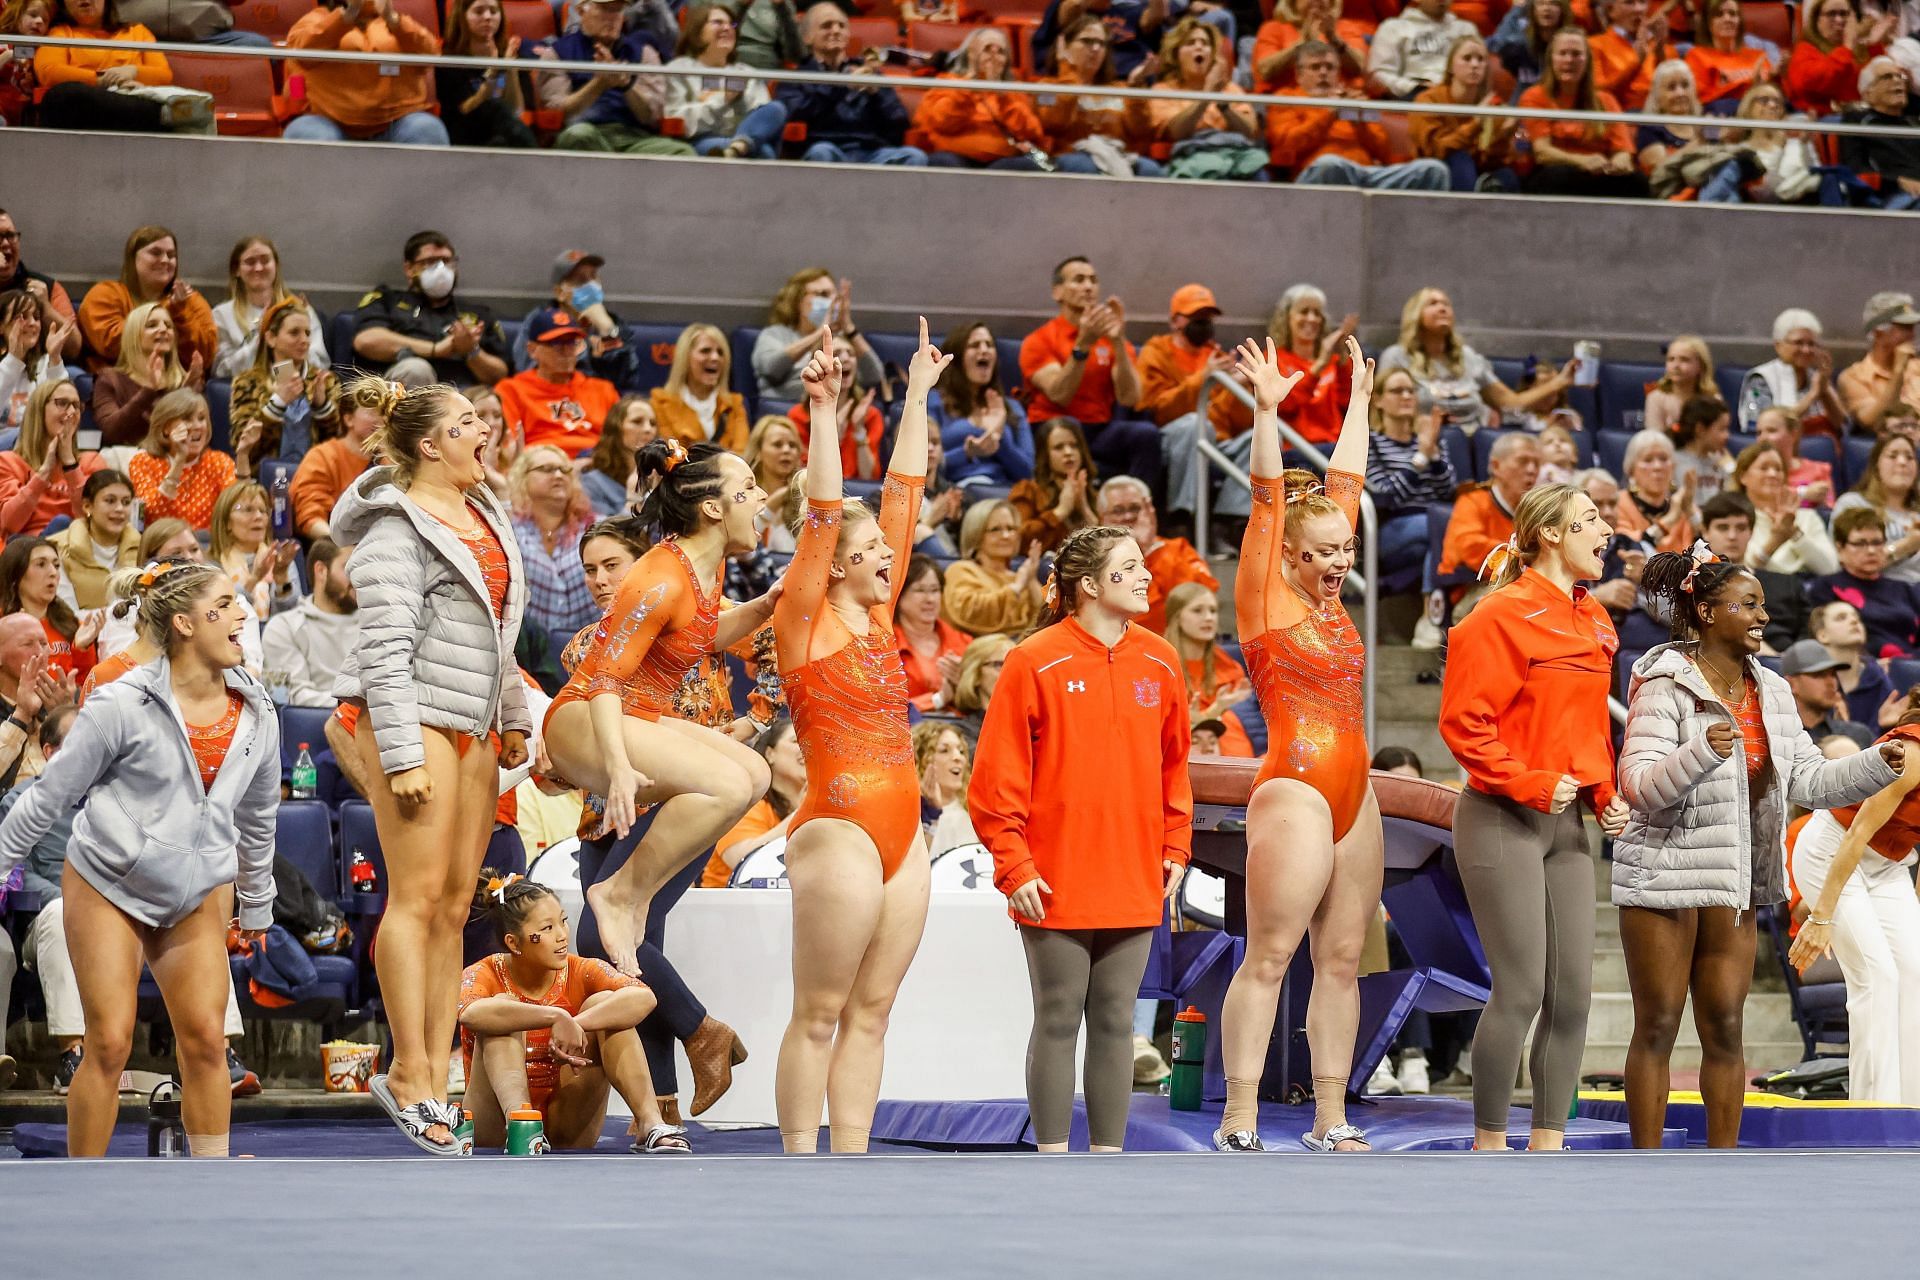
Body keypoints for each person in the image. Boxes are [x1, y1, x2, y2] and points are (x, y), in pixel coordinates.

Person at [1615, 548, 1900, 1147]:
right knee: (1659, 1024)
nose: (1761, 616)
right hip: (1664, 874)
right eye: (1746, 604)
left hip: (1735, 880)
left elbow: (1812, 781)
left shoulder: (1770, 688)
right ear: (1706, 612)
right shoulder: (1661, 684)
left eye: (1762, 605)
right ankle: (1641, 1169)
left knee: (1725, 1027)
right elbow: (1638, 787)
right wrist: (1702, 752)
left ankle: (1724, 1167)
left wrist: (1879, 763)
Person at [0, 560, 276, 1157]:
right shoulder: (119, 704)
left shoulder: (259, 712)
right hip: (107, 884)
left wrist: (256, 905)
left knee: (205, 1041)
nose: (240, 615)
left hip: (196, 890)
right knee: (109, 1041)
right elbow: (47, 799)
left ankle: (211, 1180)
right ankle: (87, 1187)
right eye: (224, 606)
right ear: (182, 623)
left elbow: (257, 819)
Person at [330, 378, 532, 1155]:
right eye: (466, 422)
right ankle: (408, 1071)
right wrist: (404, 753)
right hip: (415, 721)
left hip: (475, 726)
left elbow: (498, 630)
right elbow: (381, 655)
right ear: (428, 446)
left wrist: (512, 717)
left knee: (455, 907)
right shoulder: (392, 530)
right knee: (414, 901)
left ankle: (438, 1065)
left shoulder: (485, 515)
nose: (484, 429)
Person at [766, 323, 944, 1154]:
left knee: (872, 1014)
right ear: (831, 565)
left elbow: (903, 491)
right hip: (837, 829)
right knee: (821, 1012)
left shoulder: (875, 618)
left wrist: (913, 397)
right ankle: (801, 1159)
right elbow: (826, 511)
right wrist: (827, 408)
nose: (888, 559)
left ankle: (852, 1160)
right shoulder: (805, 625)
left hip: (905, 834)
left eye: (884, 550)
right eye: (870, 552)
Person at [968, 521, 1192, 1154]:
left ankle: (1109, 1159)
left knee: (1119, 1020)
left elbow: (1174, 766)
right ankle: (1052, 1158)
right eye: (1131, 566)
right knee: (1060, 1015)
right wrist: (1016, 867)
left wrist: (1176, 846)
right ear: (1090, 585)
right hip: (1053, 872)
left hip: (1135, 868)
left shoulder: (1161, 657)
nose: (1148, 575)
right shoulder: (1032, 660)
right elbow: (995, 782)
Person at [1207, 335, 1378, 1153]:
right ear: (1291, 557)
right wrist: (1269, 412)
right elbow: (1271, 495)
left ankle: (1331, 1116)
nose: (1339, 562)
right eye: (1323, 554)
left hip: (1355, 792)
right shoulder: (1264, 598)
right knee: (1272, 953)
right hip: (1295, 787)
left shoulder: (1336, 591)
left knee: (1341, 960)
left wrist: (1361, 403)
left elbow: (1343, 485)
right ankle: (1240, 1112)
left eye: (1346, 550)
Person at [1439, 482, 1630, 1151]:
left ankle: (1549, 1141)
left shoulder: (1596, 619)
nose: (1606, 530)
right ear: (1550, 532)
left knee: (1573, 995)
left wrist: (1606, 798)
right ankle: (1490, 1142)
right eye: (1592, 520)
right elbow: (1464, 726)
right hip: (1500, 816)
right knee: (1519, 989)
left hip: (1567, 823)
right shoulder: (1498, 617)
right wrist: (1529, 780)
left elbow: (1586, 733)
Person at [543, 436, 776, 977]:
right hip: (585, 717)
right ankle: (619, 895)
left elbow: (704, 634)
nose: (762, 497)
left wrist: (766, 604)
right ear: (714, 509)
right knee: (728, 784)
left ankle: (633, 896)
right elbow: (602, 680)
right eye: (748, 489)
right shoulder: (660, 576)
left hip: (635, 714)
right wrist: (619, 768)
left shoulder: (705, 567)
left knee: (756, 773)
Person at [457, 872, 689, 1153]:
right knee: (502, 1009)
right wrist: (555, 1016)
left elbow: (644, 997)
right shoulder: (485, 971)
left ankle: (650, 1123)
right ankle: (521, 1121)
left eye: (563, 921)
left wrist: (577, 1022)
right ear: (513, 943)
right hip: (494, 1125)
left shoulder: (579, 969)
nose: (562, 935)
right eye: (547, 928)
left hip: (566, 1122)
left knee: (606, 1003)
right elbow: (471, 1013)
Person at [1789, 691, 1920, 1104]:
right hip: (1833, 848)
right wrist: (1821, 918)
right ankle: (1873, 1111)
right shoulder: (1912, 751)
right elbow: (1857, 833)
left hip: (1889, 866)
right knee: (1876, 976)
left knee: (1914, 974)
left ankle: (1911, 1106)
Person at [1021, 257, 1157, 491]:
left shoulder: (1109, 337)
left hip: (1098, 428)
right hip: (1055, 427)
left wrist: (1118, 343)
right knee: (1068, 426)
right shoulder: (1039, 340)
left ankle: (1138, 507)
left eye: (1093, 280)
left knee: (1146, 435)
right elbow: (1059, 394)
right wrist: (1082, 347)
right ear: (1058, 292)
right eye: (1079, 280)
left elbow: (1131, 398)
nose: (1088, 286)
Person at [1378, 287, 1575, 434]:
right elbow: (1379, 409)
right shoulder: (1396, 357)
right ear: (1416, 314)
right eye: (1433, 303)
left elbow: (1510, 403)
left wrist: (1560, 382)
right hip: (1419, 441)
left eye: (1446, 304)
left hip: (1473, 442)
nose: (1442, 308)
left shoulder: (1468, 358)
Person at [1273, 42, 1450, 189]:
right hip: (1320, 174)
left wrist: (1360, 123)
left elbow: (1388, 156)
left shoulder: (1353, 98)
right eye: (1315, 67)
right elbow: (1287, 148)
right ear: (1298, 74)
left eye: (1330, 67)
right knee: (1331, 164)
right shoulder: (1287, 98)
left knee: (1434, 170)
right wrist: (1330, 113)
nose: (1323, 72)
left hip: (1369, 177)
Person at [351, 231, 510, 388]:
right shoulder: (386, 300)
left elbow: (501, 374)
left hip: (461, 396)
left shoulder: (477, 314)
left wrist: (471, 351)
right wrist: (435, 350)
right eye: (430, 262)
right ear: (409, 269)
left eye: (446, 261)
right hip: (402, 396)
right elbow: (366, 341)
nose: (441, 269)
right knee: (417, 370)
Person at [538, 0, 692, 158]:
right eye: (605, 9)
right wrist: (598, 84)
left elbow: (652, 116)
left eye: (617, 10)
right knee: (578, 135)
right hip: (585, 132)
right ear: (581, 11)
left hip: (633, 137)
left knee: (682, 152)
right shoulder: (557, 54)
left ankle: (614, 172)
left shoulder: (644, 52)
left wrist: (626, 85)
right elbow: (557, 112)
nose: (612, 17)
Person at [778, 3, 926, 165]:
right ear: (807, 37)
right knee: (821, 152)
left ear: (848, 34)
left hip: (871, 152)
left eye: (841, 26)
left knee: (914, 156)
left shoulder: (869, 72)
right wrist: (842, 85)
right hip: (826, 147)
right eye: (826, 26)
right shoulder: (798, 78)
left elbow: (900, 122)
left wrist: (877, 94)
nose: (835, 31)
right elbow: (797, 115)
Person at [285, 0, 448, 146]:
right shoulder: (315, 20)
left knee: (427, 129)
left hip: (398, 123)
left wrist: (394, 21)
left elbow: (430, 57)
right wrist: (345, 17)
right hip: (327, 122)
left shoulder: (398, 21)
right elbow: (301, 56)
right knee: (305, 133)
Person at [1519, 29, 1651, 196]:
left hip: (1600, 172)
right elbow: (1542, 152)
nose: (1569, 60)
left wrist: (1618, 162)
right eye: (1563, 53)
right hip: (1556, 171)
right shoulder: (1534, 96)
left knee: (1637, 181)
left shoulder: (1605, 100)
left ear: (1587, 60)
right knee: (1559, 176)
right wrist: (1582, 161)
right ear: (1551, 59)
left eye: (1576, 54)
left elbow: (1623, 151)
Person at [1366, 365, 1456, 609]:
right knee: (1448, 526)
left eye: (1410, 391)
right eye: (1397, 391)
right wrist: (1420, 460)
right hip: (1392, 528)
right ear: (1379, 401)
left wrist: (1434, 455)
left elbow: (1448, 490)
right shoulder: (1370, 442)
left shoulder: (1429, 439)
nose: (1406, 396)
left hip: (1433, 524)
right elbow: (1385, 497)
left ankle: (1431, 613)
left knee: (1437, 545)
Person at [31, 0, 191, 134]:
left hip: (135, 102)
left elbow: (164, 75)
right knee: (63, 95)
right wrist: (103, 81)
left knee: (162, 106)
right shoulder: (60, 33)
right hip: (84, 107)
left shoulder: (137, 32)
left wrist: (133, 72)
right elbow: (48, 72)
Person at [1139, 17, 1268, 181]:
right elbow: (1175, 132)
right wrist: (1207, 95)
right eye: (1190, 43)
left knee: (1258, 172)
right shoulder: (1164, 90)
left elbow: (1249, 131)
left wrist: (1224, 106)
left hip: (1234, 154)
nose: (1199, 46)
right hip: (1190, 158)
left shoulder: (1230, 89)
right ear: (1176, 54)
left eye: (1205, 43)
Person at [79, 225, 215, 376]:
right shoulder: (106, 293)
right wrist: (168, 311)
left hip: (174, 388)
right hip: (117, 386)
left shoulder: (191, 301)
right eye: (155, 253)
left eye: (171, 255)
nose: (165, 260)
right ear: (133, 258)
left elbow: (203, 358)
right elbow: (110, 346)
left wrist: (180, 313)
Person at [1035, 15, 1162, 176]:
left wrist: (1136, 88)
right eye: (1087, 41)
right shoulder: (1046, 87)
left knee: (1151, 170)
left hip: (1117, 156)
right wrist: (1068, 73)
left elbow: (1141, 132)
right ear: (1065, 46)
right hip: (1071, 157)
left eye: (1101, 43)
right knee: (1084, 167)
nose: (1095, 48)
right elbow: (1054, 123)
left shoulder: (1120, 88)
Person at [663, 4, 790, 158]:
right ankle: (739, 147)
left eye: (732, 24)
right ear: (697, 31)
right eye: (718, 22)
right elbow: (679, 121)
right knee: (763, 153)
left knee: (776, 108)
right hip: (702, 141)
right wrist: (722, 99)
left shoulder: (746, 73)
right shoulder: (679, 69)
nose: (728, 28)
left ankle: (739, 146)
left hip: (746, 139)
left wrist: (739, 99)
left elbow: (762, 120)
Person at [916, 27, 1052, 170]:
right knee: (943, 162)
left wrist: (1003, 98)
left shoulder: (1013, 90)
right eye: (987, 49)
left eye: (1001, 52)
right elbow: (942, 121)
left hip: (1003, 160)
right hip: (956, 156)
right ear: (971, 54)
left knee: (1023, 166)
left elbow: (1030, 132)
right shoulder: (948, 82)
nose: (994, 56)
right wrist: (967, 89)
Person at [1096, 474, 1216, 634]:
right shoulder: (1092, 559)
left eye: (1135, 508)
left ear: (1150, 510)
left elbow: (1196, 603)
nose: (1128, 516)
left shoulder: (1178, 549)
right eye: (1118, 511)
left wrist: (1148, 551)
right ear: (1102, 518)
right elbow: (1135, 618)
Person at [1436, 431, 1541, 614]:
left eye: (1536, 463)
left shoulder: (1537, 510)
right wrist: (1526, 556)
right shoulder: (1473, 502)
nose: (1532, 470)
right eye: (1523, 461)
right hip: (1477, 592)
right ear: (1496, 466)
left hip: (1526, 589)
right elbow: (1470, 547)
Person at [495, 308, 620, 460]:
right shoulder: (511, 390)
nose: (567, 352)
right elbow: (508, 449)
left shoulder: (603, 389)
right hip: (539, 465)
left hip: (597, 465)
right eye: (556, 344)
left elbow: (622, 444)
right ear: (532, 350)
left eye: (572, 343)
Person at [229, 296, 341, 465]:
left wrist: (322, 407)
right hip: (262, 480)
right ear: (271, 338)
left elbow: (339, 446)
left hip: (313, 478)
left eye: (307, 333)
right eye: (294, 332)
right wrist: (278, 402)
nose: (304, 340)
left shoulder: (325, 381)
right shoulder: (248, 382)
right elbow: (244, 449)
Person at [507, 444, 599, 649]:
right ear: (523, 478)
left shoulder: (596, 529)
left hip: (590, 650)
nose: (558, 474)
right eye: (547, 469)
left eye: (564, 470)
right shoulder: (509, 530)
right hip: (528, 653)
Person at [700, 716, 808, 886]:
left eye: (811, 742)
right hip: (729, 906)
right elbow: (741, 858)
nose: (808, 748)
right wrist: (801, 814)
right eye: (796, 741)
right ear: (770, 753)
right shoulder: (746, 801)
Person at [752, 269, 885, 405]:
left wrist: (849, 327)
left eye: (835, 295)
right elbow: (771, 370)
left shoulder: (839, 340)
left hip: (831, 411)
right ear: (797, 301)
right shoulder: (775, 334)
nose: (832, 301)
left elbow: (873, 376)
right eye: (823, 294)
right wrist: (819, 333)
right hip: (786, 413)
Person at [1410, 34, 1523, 191]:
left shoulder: (1494, 107)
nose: (1475, 65)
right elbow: (1436, 151)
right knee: (1460, 158)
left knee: (1507, 175)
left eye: (1481, 60)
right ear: (1451, 66)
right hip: (1438, 171)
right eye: (1467, 58)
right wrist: (1475, 124)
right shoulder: (1429, 100)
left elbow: (1491, 161)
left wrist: (1502, 138)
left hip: (1477, 171)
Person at [128, 389, 251, 532]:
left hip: (208, 547)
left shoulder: (218, 462)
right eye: (187, 419)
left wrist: (243, 456)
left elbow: (239, 506)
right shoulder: (143, 462)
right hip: (162, 546)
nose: (197, 426)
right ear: (166, 428)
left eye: (201, 418)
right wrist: (179, 460)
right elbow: (151, 513)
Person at [512, 250, 636, 390]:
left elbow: (625, 380)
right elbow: (527, 372)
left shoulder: (613, 323)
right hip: (550, 400)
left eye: (594, 277)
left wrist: (607, 330)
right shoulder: (539, 321)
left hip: (601, 403)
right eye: (580, 280)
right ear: (560, 293)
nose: (590, 286)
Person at [210, 236, 328, 382]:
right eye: (250, 262)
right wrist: (260, 336)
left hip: (298, 391)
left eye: (265, 260)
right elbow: (221, 371)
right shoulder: (221, 314)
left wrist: (292, 347)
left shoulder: (301, 310)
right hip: (247, 395)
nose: (258, 268)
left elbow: (321, 364)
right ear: (237, 270)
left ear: (276, 266)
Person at [934, 322, 1035, 489]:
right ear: (958, 358)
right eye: (974, 345)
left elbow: (1027, 472)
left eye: (989, 345)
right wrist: (967, 453)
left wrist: (998, 436)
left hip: (1003, 494)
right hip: (953, 493)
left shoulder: (1011, 408)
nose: (984, 350)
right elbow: (923, 465)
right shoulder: (935, 402)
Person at [1809, 508, 1920, 656]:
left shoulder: (1904, 589)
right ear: (1840, 548)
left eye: (1877, 542)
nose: (1871, 551)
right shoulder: (1826, 587)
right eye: (1860, 543)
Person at [261, 537, 356, 708]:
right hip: (315, 728)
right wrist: (357, 707)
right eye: (349, 568)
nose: (359, 578)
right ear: (321, 571)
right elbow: (292, 696)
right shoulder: (283, 628)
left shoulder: (378, 622)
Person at [0, 378, 102, 538]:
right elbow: (9, 524)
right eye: (62, 403)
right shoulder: (7, 462)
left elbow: (96, 521)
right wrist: (42, 474)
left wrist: (70, 463)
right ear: (39, 409)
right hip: (27, 551)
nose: (71, 412)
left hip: (77, 548)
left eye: (76, 406)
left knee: (65, 525)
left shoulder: (92, 461)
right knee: (60, 523)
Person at [1161, 580, 1253, 755]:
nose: (1209, 617)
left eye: (1213, 610)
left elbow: (1241, 721)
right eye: (1198, 611)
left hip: (1226, 746)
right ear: (1177, 616)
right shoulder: (1160, 664)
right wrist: (1212, 712)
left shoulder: (1229, 666)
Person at [0, 533, 99, 683]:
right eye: (41, 564)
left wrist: (82, 649)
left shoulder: (72, 626)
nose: (53, 572)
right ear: (16, 576)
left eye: (56, 565)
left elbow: (86, 684)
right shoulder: (3, 626)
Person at [788, 331, 886, 481]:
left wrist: (859, 431)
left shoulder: (870, 415)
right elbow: (805, 478)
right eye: (837, 353)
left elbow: (869, 478)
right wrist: (833, 438)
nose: (846, 358)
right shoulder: (798, 416)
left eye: (851, 353)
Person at [436, 0, 534, 149]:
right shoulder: (450, 59)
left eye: (493, 11)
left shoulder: (511, 54)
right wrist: (493, 74)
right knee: (495, 107)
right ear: (462, 17)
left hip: (506, 136)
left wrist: (510, 69)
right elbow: (465, 109)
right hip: (467, 136)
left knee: (503, 137)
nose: (488, 17)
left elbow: (516, 111)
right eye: (479, 11)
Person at [290, 379, 380, 540]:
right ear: (348, 419)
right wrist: (340, 545)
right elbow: (311, 516)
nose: (380, 420)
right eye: (371, 412)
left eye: (384, 413)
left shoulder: (395, 460)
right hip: (336, 547)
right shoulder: (322, 456)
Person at [1729, 443, 1837, 575]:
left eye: (1778, 469)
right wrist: (1776, 540)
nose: (1773, 474)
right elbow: (1741, 572)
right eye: (1764, 468)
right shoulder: (1734, 519)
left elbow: (1831, 568)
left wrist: (1794, 533)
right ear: (1743, 477)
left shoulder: (1807, 517)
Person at [943, 499, 1046, 635]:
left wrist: (1031, 579)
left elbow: (1043, 622)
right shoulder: (961, 570)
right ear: (976, 534)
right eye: (996, 530)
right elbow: (968, 614)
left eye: (1011, 529)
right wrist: (1015, 588)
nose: (1006, 536)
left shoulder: (1019, 577)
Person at [1739, 307, 1847, 435]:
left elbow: (1843, 427)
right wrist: (1812, 395)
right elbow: (1757, 425)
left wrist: (1824, 392)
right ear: (1778, 345)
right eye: (1798, 343)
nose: (1806, 350)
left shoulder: (1817, 377)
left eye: (1811, 344)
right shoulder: (1760, 378)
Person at [1833, 433, 1920, 582]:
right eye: (1892, 456)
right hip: (1875, 592)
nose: (1902, 462)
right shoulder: (1854, 505)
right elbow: (1846, 563)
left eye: (1910, 457)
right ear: (1876, 466)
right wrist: (1907, 546)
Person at [1787, 0, 1897, 115]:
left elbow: (1880, 84)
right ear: (1817, 20)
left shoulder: (1859, 48)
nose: (1839, 20)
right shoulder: (1805, 50)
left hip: (1862, 117)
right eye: (1831, 14)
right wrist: (1847, 47)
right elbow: (1816, 83)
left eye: (1844, 14)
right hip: (1824, 121)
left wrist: (1874, 46)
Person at [1839, 55, 1920, 211]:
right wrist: (1898, 181)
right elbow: (1855, 169)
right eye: (1887, 77)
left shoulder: (1914, 122)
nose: (1897, 81)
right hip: (1891, 196)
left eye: (1900, 76)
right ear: (1868, 92)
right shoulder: (1857, 121)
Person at [651, 324, 750, 451]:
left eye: (720, 352)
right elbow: (669, 454)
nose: (715, 358)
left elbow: (741, 453)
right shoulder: (659, 402)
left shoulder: (734, 405)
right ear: (685, 357)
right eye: (705, 351)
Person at [1010, 417, 1099, 556]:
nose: (1068, 452)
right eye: (1059, 447)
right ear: (1045, 454)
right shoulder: (1027, 490)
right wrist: (1060, 512)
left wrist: (1085, 509)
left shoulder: (1093, 494)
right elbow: (1017, 541)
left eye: (1074, 445)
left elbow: (1108, 546)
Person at [0, 210, 80, 364]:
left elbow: (74, 348)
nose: (5, 243)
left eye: (10, 236)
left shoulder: (46, 287)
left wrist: (44, 307)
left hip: (37, 368)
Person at [52, 469, 137, 613]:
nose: (120, 509)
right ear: (87, 506)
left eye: (126, 502)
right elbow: (66, 613)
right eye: (110, 501)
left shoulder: (143, 547)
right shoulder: (59, 548)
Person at [893, 555, 970, 713]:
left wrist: (964, 687)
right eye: (920, 590)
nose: (930, 599)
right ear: (899, 595)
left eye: (935, 590)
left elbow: (983, 702)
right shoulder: (883, 645)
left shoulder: (964, 642)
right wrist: (939, 699)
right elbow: (882, 709)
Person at [1810, 600, 1901, 729]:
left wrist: (1884, 726)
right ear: (1822, 635)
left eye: (1856, 617)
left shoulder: (1877, 676)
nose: (1854, 621)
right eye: (1841, 618)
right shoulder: (1810, 678)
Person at [1840, 291, 1920, 435]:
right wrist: (1898, 370)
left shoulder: (1917, 367)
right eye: (1905, 328)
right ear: (1878, 332)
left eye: (1913, 327)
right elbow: (1874, 421)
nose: (1912, 335)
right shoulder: (1853, 377)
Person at [1781, 636, 1879, 748]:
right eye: (1818, 675)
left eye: (1833, 674)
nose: (1831, 682)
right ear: (1790, 684)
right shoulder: (1778, 738)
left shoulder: (1858, 735)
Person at [1254, 0, 1371, 92]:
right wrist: (1301, 44)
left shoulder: (1346, 28)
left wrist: (1335, 40)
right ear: (1292, 2)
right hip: (1291, 106)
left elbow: (1359, 66)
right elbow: (1265, 70)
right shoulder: (1273, 28)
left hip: (1341, 103)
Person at [0, 288, 73, 434]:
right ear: (1, 326)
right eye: (22, 317)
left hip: (36, 448)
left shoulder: (46, 363)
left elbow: (64, 415)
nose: (32, 323)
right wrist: (13, 361)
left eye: (36, 317)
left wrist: (55, 359)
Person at [1614, 428, 1696, 554]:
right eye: (1648, 460)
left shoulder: (1680, 503)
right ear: (1631, 470)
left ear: (1673, 466)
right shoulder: (1617, 503)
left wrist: (1690, 510)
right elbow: (1632, 547)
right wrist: (1671, 518)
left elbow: (1702, 550)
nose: (1657, 467)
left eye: (1663, 459)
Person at [1687, 0, 1778, 109]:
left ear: (1739, 21)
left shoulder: (1758, 56)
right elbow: (1702, 101)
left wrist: (1776, 76)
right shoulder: (1697, 56)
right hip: (1722, 116)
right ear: (1708, 24)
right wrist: (1747, 86)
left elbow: (1775, 94)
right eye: (1719, 14)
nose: (1727, 19)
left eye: (1732, 14)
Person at [1590, 0, 1677, 111]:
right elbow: (1600, 94)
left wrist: (1660, 54)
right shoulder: (1594, 45)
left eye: (1642, 2)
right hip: (1619, 116)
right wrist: (1637, 63)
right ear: (1611, 11)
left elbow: (1675, 89)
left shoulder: (1663, 48)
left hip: (1660, 118)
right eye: (1629, 3)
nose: (1638, 9)